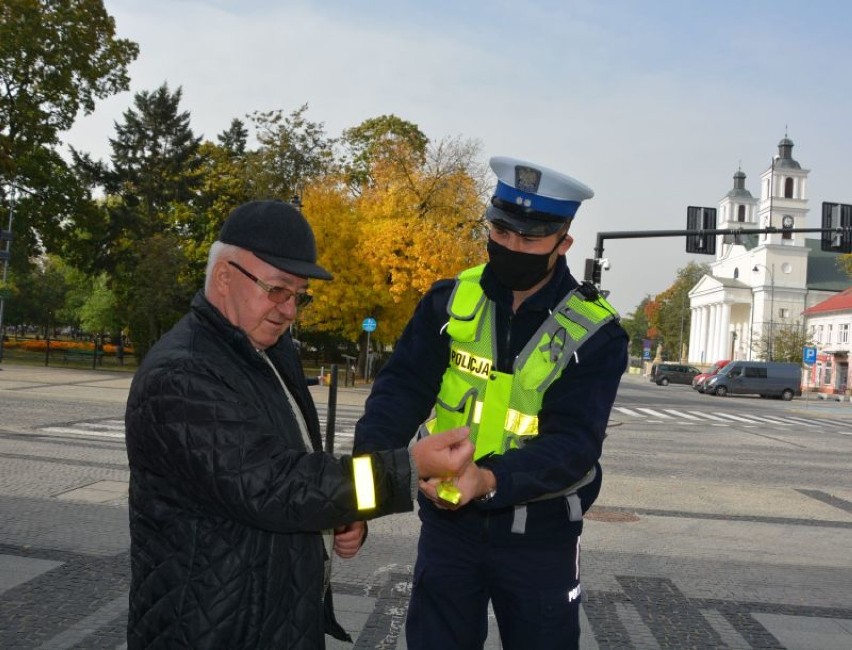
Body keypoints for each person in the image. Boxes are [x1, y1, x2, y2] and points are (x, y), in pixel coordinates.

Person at [125, 199, 476, 649]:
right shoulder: (182, 375)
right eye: (277, 290)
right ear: (224, 276)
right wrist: (407, 469)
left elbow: (299, 468)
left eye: (298, 296)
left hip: (268, 618)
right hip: (212, 629)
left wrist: (345, 511)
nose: (289, 310)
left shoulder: (264, 351)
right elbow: (274, 487)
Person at [353, 157, 629, 649]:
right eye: (501, 231)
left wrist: (488, 479)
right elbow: (396, 397)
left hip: (541, 538)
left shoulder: (596, 333)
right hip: (448, 530)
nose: (511, 246)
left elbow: (574, 444)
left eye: (529, 239)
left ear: (562, 242)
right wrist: (359, 497)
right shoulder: (448, 302)